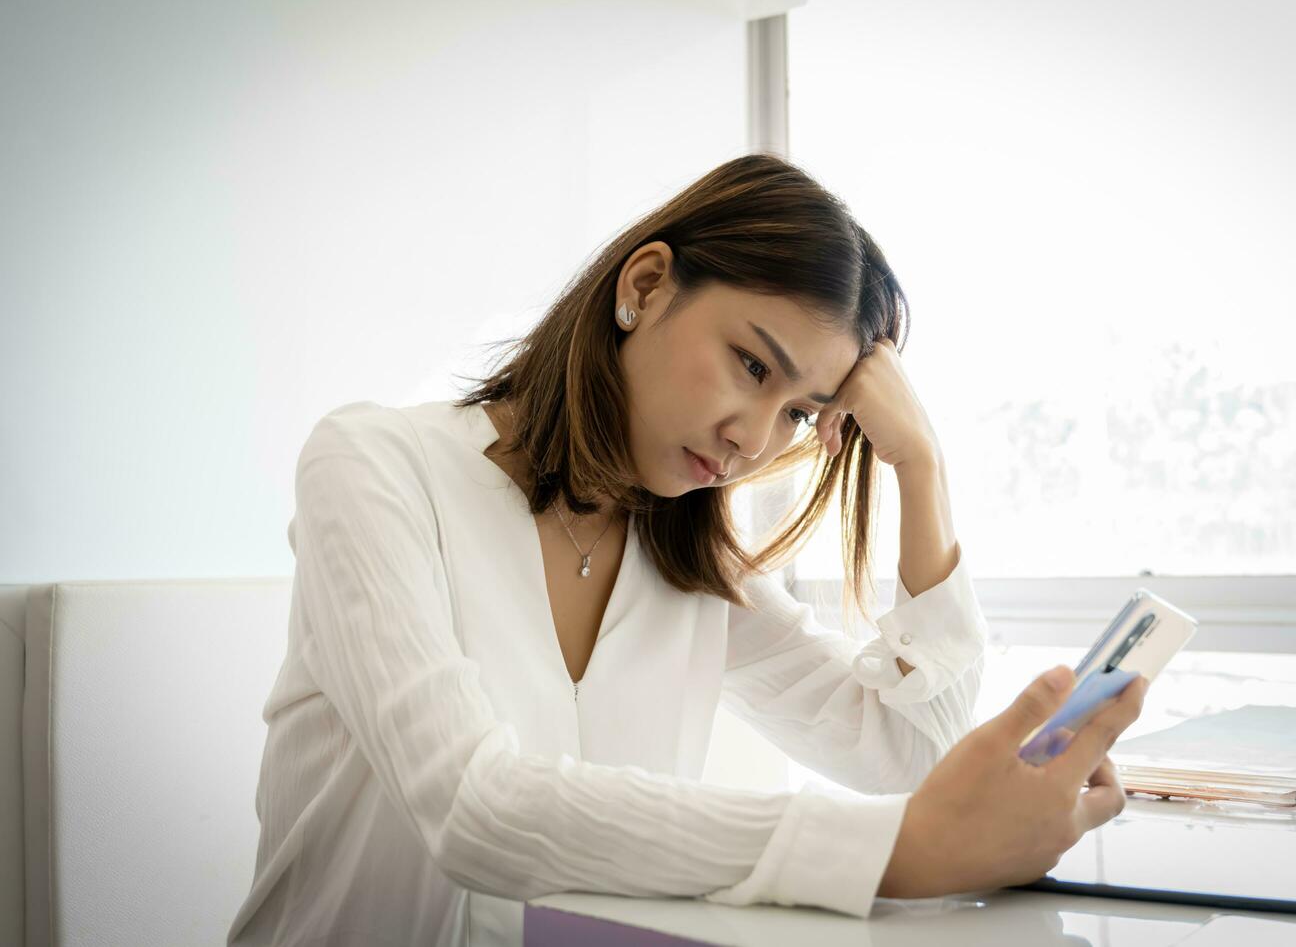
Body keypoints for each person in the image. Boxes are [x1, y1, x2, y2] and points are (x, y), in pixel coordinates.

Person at [227, 154, 1149, 946]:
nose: (754, 436)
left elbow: (909, 757)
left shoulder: (695, 567)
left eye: (797, 411)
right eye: (752, 365)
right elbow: (475, 810)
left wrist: (922, 465)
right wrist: (896, 853)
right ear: (644, 285)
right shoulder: (374, 467)